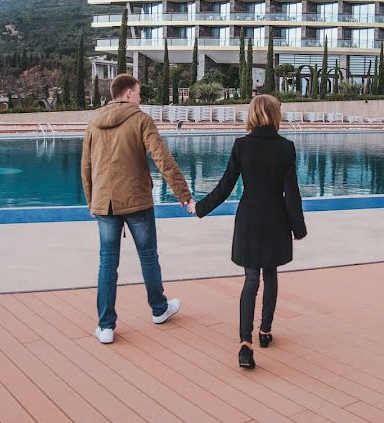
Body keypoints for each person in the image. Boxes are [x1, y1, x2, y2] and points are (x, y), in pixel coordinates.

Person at [188, 94, 307, 368]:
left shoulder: (242, 146)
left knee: (250, 279)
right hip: (276, 218)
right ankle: (265, 332)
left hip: (249, 218)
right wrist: (298, 228)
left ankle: (245, 343)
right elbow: (292, 193)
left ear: (253, 115)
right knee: (271, 274)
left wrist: (200, 207)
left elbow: (226, 186)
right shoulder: (286, 147)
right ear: (275, 115)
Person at [81, 74, 192, 344]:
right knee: (148, 257)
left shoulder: (94, 122)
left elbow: (85, 166)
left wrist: (92, 202)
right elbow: (162, 158)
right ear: (129, 93)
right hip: (137, 201)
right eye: (139, 93)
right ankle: (158, 309)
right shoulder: (140, 119)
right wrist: (183, 194)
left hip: (104, 203)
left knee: (107, 262)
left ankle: (105, 326)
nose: (140, 98)